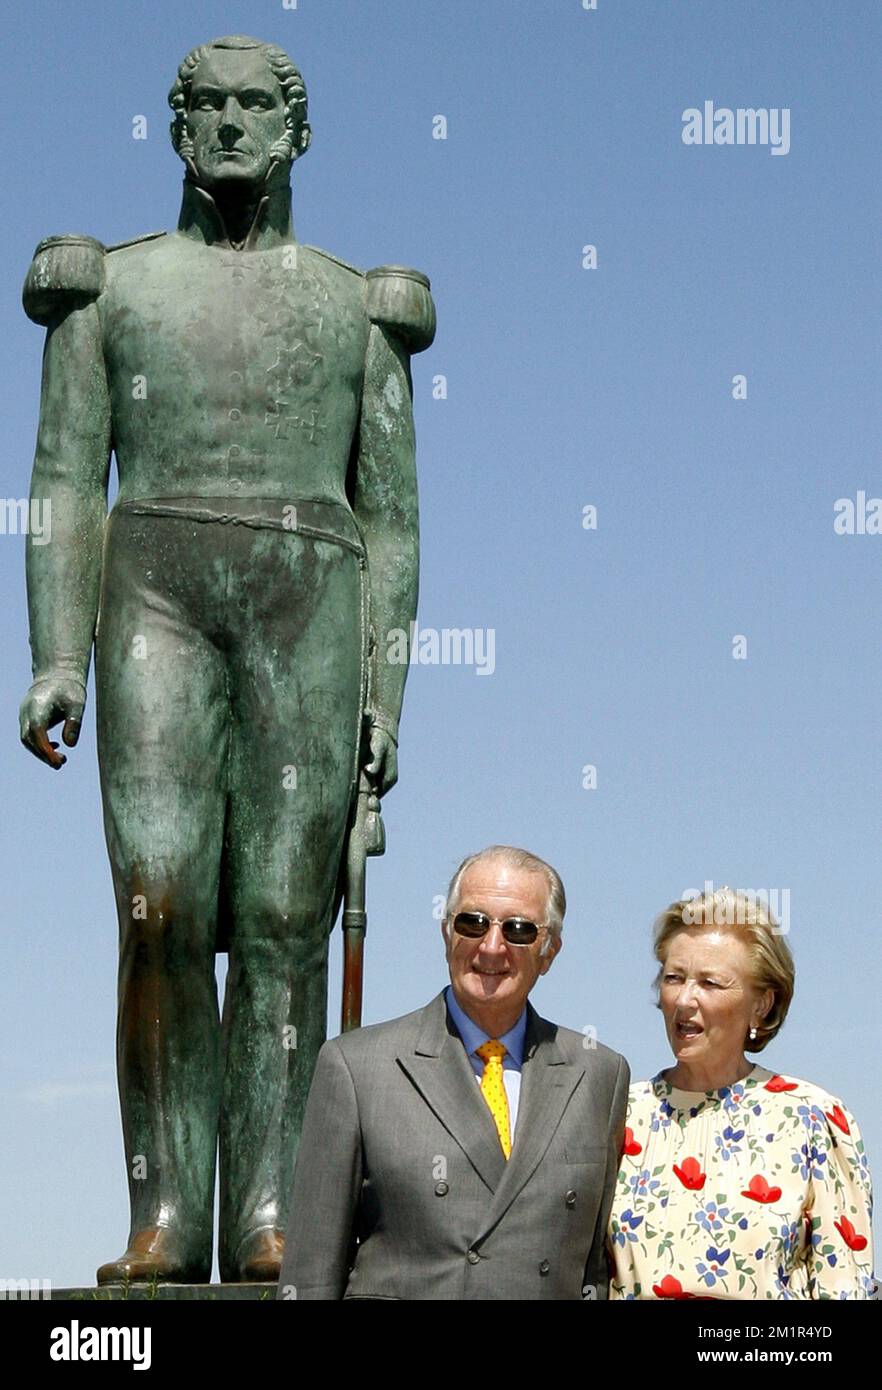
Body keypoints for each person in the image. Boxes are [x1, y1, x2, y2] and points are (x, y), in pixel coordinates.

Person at [18, 34, 434, 1284]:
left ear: (297, 131)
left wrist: (385, 694)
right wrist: (55, 656)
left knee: (280, 919)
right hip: (153, 586)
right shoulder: (106, 291)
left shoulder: (362, 305)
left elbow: (397, 518)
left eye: (260, 106)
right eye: (210, 107)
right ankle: (165, 1212)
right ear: (177, 129)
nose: (235, 125)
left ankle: (267, 1212)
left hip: (313, 592)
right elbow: (59, 482)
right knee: (158, 899)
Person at [277, 846, 629, 1299]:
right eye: (472, 923)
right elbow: (310, 1275)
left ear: (549, 951)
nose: (491, 946)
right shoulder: (358, 1067)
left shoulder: (600, 1075)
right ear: (446, 933)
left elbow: (592, 1275)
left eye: (519, 930)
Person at [608, 887, 875, 1299]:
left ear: (761, 1005)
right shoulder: (617, 1114)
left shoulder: (812, 1118)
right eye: (673, 978)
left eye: (710, 983)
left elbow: (845, 1288)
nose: (684, 1000)